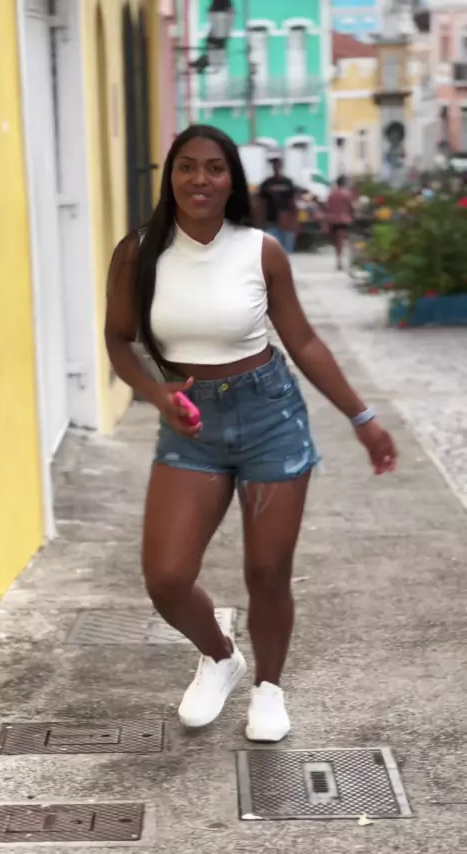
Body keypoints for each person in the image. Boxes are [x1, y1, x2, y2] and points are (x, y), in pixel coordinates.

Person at [105, 125, 397, 743]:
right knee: (166, 577)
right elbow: (118, 339)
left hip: (270, 415)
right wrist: (157, 394)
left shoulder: (260, 251)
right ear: (170, 176)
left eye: (215, 168)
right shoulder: (138, 252)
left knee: (267, 570)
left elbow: (305, 342)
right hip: (190, 422)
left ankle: (269, 687)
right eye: (186, 166)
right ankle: (220, 657)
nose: (200, 179)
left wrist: (362, 418)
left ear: (232, 180)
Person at [257, 156, 298, 254]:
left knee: (286, 251)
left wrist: (295, 222)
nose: (275, 167)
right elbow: (261, 204)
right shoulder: (266, 184)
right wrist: (260, 221)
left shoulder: (288, 183)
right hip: (271, 220)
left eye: (277, 165)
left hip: (286, 221)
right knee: (272, 250)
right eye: (274, 165)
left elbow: (293, 202)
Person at [324, 175, 354, 270]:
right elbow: (351, 206)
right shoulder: (347, 194)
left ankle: (339, 260)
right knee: (343, 241)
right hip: (343, 220)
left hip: (332, 220)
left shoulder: (331, 194)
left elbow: (327, 207)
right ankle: (342, 261)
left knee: (337, 242)